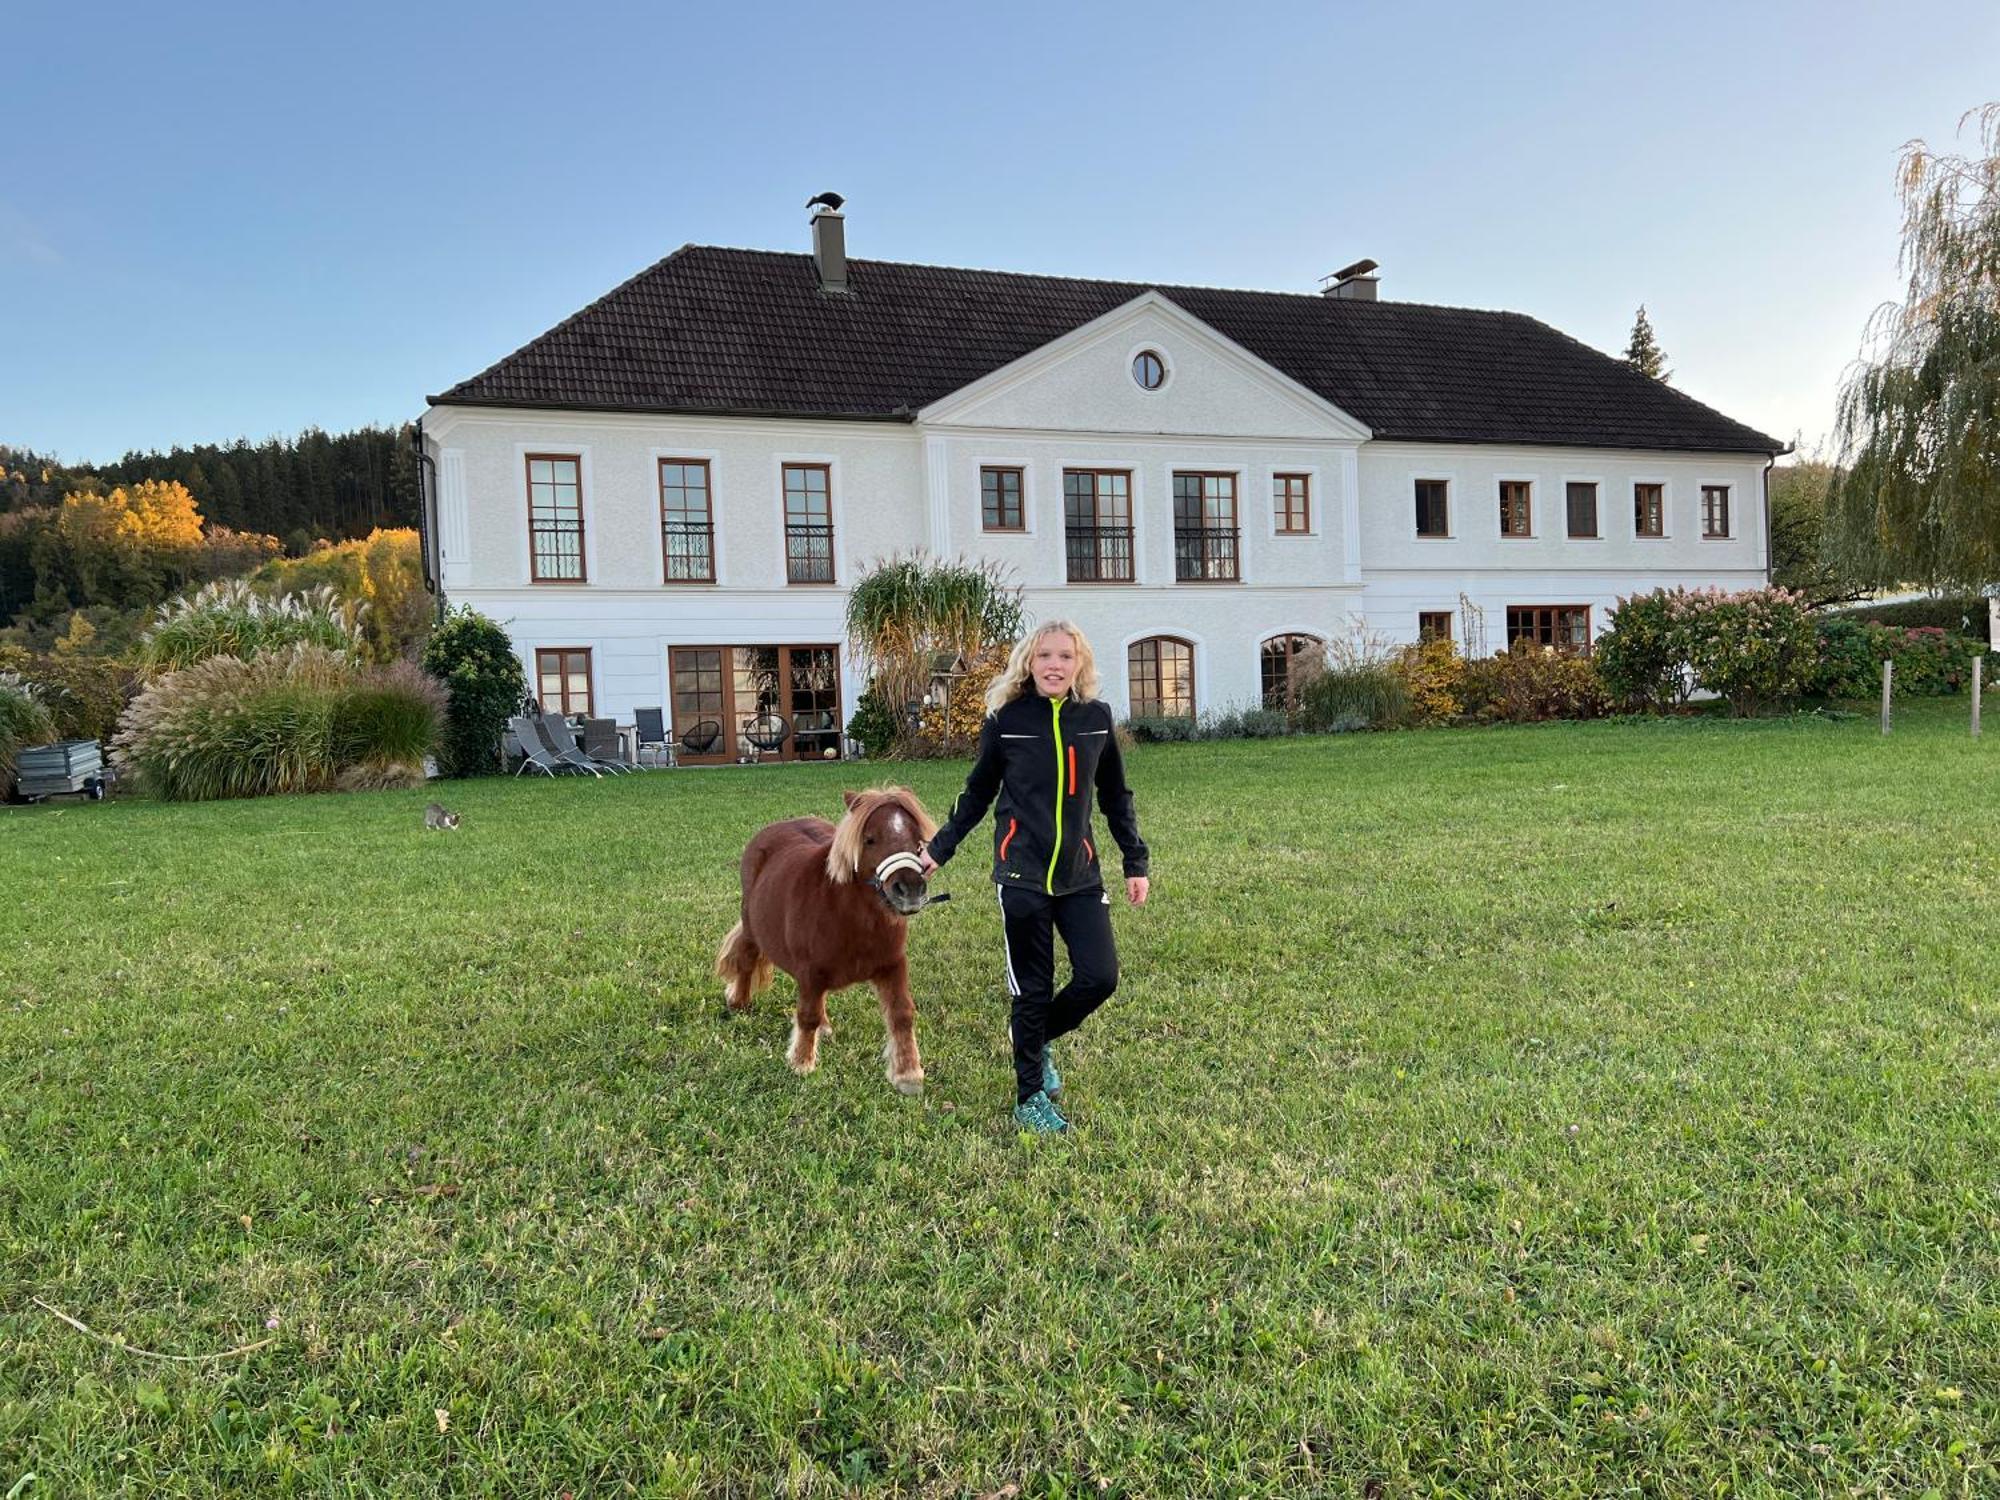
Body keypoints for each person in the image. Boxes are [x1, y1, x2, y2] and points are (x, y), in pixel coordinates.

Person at [920, 620, 1150, 1133]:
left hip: (1080, 874)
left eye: (1065, 656)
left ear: (1079, 664)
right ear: (1029, 662)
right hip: (1021, 873)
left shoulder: (1095, 719)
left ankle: (1034, 1037)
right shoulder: (1006, 720)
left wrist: (1134, 861)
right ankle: (1029, 1096)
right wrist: (940, 848)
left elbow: (1115, 797)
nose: (1054, 665)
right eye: (1045, 655)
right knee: (1031, 988)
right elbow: (977, 793)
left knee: (1099, 976)